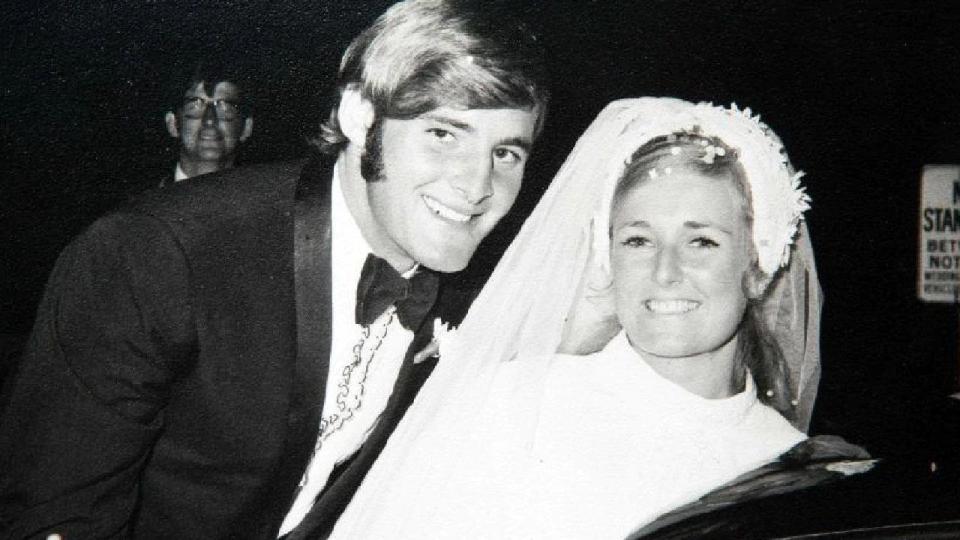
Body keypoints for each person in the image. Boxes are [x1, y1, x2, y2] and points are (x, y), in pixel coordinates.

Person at [0, 1, 548, 538]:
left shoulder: (476, 303)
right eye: (444, 134)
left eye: (506, 154)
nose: (477, 187)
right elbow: (55, 512)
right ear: (360, 117)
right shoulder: (160, 252)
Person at [328, 97, 834, 539]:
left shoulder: (791, 460)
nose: (664, 271)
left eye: (701, 241)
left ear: (759, 265)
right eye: (638, 240)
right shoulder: (519, 403)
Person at [162, 60, 254, 184]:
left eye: (225, 107)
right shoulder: (143, 200)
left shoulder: (270, 199)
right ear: (172, 123)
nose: (210, 120)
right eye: (195, 106)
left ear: (246, 127)